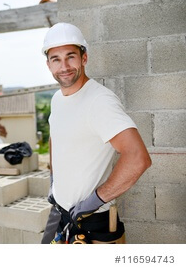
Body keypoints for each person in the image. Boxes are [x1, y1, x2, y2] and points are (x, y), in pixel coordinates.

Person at [40, 23, 152, 244]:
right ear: (48, 65)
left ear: (84, 58)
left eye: (70, 56)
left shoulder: (99, 101)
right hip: (62, 216)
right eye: (56, 59)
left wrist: (95, 200)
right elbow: (56, 137)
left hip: (93, 224)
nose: (64, 66)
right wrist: (55, 181)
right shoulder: (57, 99)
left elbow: (138, 158)